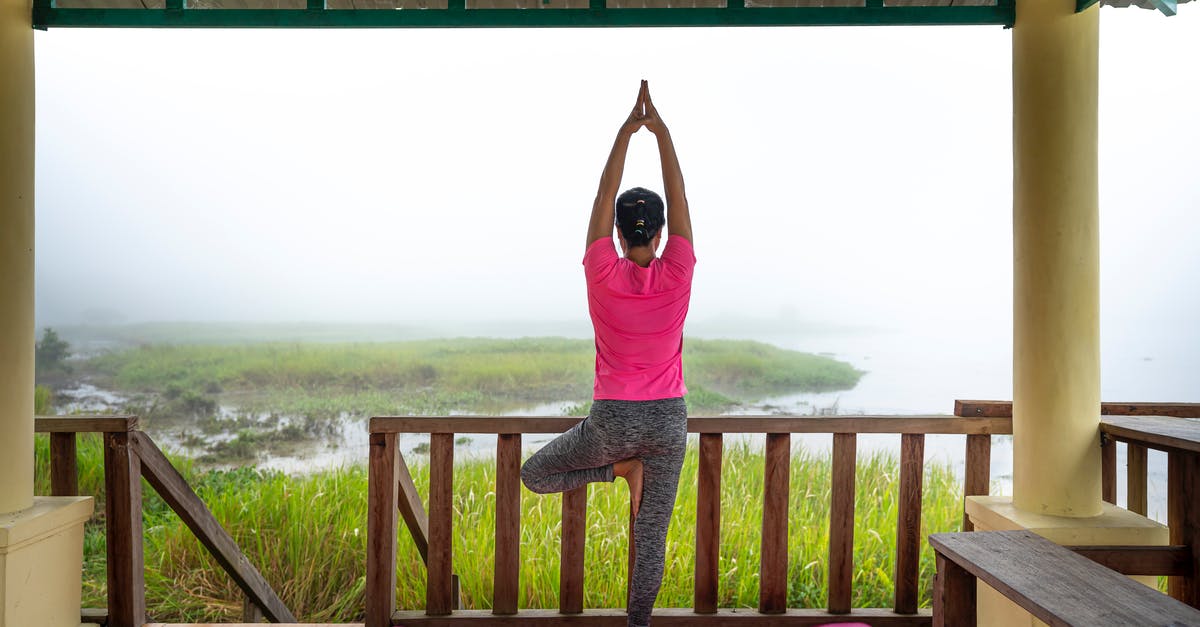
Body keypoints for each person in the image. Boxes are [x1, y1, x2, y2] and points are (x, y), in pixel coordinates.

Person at [520, 80, 695, 627]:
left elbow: (602, 198)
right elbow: (681, 193)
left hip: (611, 423)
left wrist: (625, 133)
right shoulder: (679, 268)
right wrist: (661, 134)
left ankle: (620, 470)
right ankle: (638, 625)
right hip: (668, 423)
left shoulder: (601, 270)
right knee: (652, 537)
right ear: (661, 233)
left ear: (617, 236)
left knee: (534, 474)